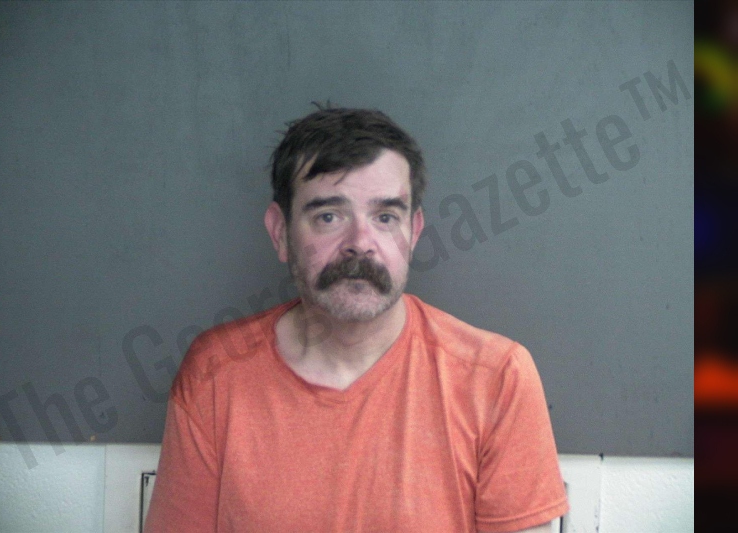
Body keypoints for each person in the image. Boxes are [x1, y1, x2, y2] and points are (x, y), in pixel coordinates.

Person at [145, 107, 569, 533]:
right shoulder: (215, 375)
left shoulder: (496, 378)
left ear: (413, 232)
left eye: (385, 217)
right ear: (280, 232)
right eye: (329, 216)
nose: (360, 244)